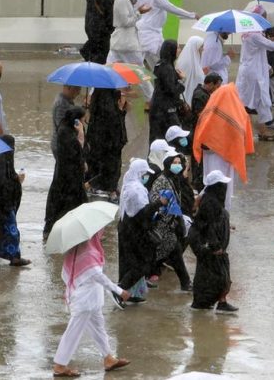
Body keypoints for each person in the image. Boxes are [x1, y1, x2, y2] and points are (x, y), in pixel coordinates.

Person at [53, 229, 131, 376]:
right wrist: (120, 291)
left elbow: (67, 274)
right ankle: (60, 365)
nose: (102, 234)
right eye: (99, 232)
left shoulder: (77, 249)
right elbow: (98, 276)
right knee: (73, 332)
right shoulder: (88, 251)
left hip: (91, 300)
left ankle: (108, 358)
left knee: (98, 327)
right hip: (85, 301)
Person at [236, 7, 274, 141]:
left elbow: (257, 53)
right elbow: (272, 46)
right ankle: (245, 129)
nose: (266, 19)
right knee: (253, 101)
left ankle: (260, 131)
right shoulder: (254, 34)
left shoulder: (251, 32)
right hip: (253, 73)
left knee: (259, 101)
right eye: (264, 16)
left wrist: (266, 66)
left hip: (254, 70)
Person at [192, 84, 254, 211]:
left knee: (214, 181)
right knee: (221, 184)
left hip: (212, 153)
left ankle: (214, 210)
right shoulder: (235, 112)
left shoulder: (211, 109)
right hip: (223, 155)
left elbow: (201, 132)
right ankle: (219, 213)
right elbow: (240, 132)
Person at [116, 159, 166, 305]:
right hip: (135, 232)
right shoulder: (136, 190)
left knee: (128, 263)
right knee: (142, 264)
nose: (147, 177)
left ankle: (129, 294)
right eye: (144, 174)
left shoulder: (129, 184)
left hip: (127, 229)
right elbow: (143, 213)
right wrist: (159, 204)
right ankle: (120, 290)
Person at [189, 170, 237, 313]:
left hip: (208, 243)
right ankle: (206, 302)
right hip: (206, 244)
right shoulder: (210, 202)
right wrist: (215, 246)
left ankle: (214, 302)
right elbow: (208, 226)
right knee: (216, 273)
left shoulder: (212, 199)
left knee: (214, 273)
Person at [136, 0, 198, 71]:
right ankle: (172, 81)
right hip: (151, 33)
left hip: (144, 31)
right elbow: (169, 7)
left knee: (149, 66)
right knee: (164, 62)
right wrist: (191, 15)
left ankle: (158, 85)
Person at [148, 151, 193, 291]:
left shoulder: (175, 180)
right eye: (174, 163)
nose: (178, 166)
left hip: (169, 225)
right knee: (170, 251)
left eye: (179, 163)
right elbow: (159, 204)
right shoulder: (162, 181)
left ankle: (185, 283)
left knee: (173, 251)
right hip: (162, 225)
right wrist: (174, 220)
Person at [0, 135, 30, 266]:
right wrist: (17, 181)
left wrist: (15, 178)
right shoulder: (2, 161)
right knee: (11, 231)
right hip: (3, 204)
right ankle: (14, 257)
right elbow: (3, 185)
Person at [107, 0, 153, 102]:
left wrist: (138, 11)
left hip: (120, 42)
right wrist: (140, 12)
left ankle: (94, 95)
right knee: (140, 72)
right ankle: (152, 98)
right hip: (126, 42)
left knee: (108, 70)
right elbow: (126, 22)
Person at [44, 106, 89, 240]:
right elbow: (74, 152)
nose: (83, 122)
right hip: (67, 175)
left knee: (75, 202)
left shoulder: (69, 130)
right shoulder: (65, 133)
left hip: (70, 174)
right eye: (82, 119)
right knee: (67, 202)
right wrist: (81, 137)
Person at [85, 88, 128, 203]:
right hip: (107, 175)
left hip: (96, 166)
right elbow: (121, 139)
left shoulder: (96, 113)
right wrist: (121, 112)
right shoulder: (113, 116)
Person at [189, 73, 222, 190]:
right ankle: (198, 183)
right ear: (211, 84)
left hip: (203, 132)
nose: (217, 89)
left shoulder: (205, 93)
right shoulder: (200, 96)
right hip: (199, 132)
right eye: (217, 86)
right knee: (198, 159)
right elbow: (201, 116)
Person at [149, 40, 185, 143]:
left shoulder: (160, 64)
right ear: (171, 50)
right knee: (169, 138)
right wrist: (182, 81)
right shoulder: (167, 67)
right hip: (165, 110)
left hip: (158, 107)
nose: (179, 50)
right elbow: (171, 89)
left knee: (157, 138)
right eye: (177, 48)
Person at [80, 0, 116, 64]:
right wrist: (111, 28)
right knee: (102, 57)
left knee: (94, 54)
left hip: (90, 27)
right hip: (102, 31)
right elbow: (110, 15)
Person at [51, 84, 81, 157]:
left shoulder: (67, 101)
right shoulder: (62, 104)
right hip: (61, 145)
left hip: (63, 144)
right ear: (69, 88)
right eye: (77, 89)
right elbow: (62, 127)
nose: (79, 92)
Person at [176, 36, 205, 106]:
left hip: (195, 96)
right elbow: (183, 81)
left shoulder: (195, 59)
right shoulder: (186, 62)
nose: (203, 49)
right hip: (187, 98)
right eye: (201, 47)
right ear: (195, 47)